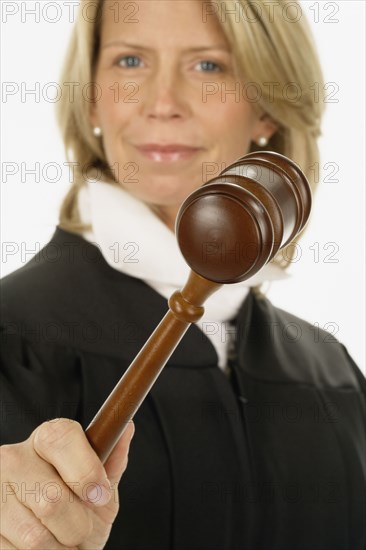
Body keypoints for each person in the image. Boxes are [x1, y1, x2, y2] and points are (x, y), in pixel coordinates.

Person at [1, 1, 365, 549]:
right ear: (94, 95)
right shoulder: (13, 338)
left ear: (267, 106)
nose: (162, 103)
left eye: (208, 67)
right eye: (129, 62)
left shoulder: (330, 366)